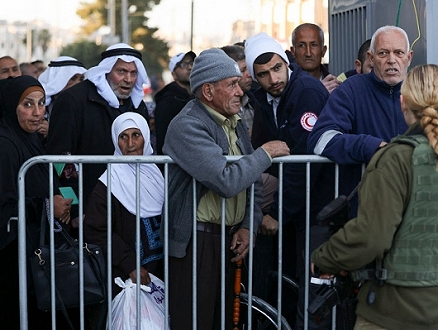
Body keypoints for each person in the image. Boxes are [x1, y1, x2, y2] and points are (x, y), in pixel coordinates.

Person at [162, 47, 290, 330]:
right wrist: (264, 154)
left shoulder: (234, 122)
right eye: (231, 84)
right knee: (194, 321)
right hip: (196, 243)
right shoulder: (187, 125)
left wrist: (247, 225)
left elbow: (252, 181)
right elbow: (225, 180)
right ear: (208, 91)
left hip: (227, 240)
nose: (240, 91)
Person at [311, 64, 438, 330]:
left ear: (403, 103)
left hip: (398, 310)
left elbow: (371, 236)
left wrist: (325, 258)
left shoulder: (397, 158)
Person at [245, 32, 334, 328]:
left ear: (287, 62)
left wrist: (276, 213)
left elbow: (302, 164)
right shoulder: (265, 97)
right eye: (263, 74)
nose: (273, 79)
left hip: (315, 208)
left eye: (276, 68)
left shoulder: (306, 92)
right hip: (295, 207)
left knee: (311, 292)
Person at [308, 25, 413, 216]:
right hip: (366, 212)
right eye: (383, 53)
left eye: (399, 53)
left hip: (415, 211)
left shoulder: (423, 91)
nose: (391, 60)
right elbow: (321, 139)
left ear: (409, 57)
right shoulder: (351, 90)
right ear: (371, 58)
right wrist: (372, 147)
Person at [45, 43, 150, 219]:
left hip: (127, 205)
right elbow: (60, 162)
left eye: (133, 73)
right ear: (106, 70)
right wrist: (76, 208)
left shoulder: (138, 107)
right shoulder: (73, 101)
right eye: (121, 72)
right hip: (88, 207)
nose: (128, 79)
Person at [0, 76, 72, 329]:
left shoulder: (32, 140)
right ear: (11, 106)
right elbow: (5, 204)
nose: (38, 113)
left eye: (42, 104)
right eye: (28, 105)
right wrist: (46, 206)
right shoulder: (6, 145)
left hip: (36, 250)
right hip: (15, 259)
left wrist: (64, 202)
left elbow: (54, 180)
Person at [84, 112, 164, 297]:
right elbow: (96, 230)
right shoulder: (108, 183)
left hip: (162, 271)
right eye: (123, 137)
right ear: (115, 141)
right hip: (127, 278)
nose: (130, 144)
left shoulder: (158, 174)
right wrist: (130, 264)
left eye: (136, 135)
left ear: (145, 136)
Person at [154, 50, 196, 155]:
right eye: (183, 65)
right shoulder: (167, 101)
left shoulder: (198, 96)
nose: (190, 67)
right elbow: (163, 138)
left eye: (191, 63)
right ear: (174, 74)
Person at [290, 23, 342, 93]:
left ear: (323, 51)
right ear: (293, 52)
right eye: (301, 46)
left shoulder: (335, 86)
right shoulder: (284, 87)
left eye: (314, 45)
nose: (308, 53)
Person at [38, 56, 87, 120]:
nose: (78, 83)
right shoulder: (40, 105)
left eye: (81, 79)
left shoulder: (85, 106)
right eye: (73, 78)